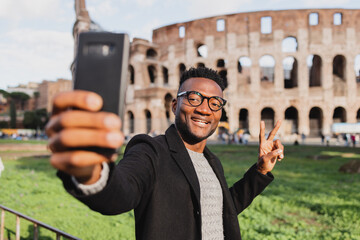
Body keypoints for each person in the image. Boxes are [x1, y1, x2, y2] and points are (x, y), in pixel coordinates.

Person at [46, 67, 284, 240]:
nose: (204, 108)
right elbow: (122, 193)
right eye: (194, 98)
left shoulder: (212, 161)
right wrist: (91, 172)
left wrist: (260, 171)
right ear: (174, 105)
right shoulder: (150, 150)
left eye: (215, 103)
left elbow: (224, 209)